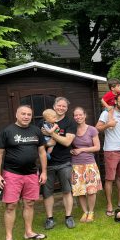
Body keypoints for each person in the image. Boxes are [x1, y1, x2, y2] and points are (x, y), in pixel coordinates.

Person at [0, 105, 48, 240]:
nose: (26, 117)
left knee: (29, 203)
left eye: (29, 114)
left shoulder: (36, 131)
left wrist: (44, 172)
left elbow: (42, 152)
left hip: (31, 173)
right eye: (23, 114)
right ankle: (9, 238)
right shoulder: (7, 131)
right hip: (12, 174)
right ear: (17, 115)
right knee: (11, 205)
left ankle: (28, 232)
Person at [41, 97, 76, 229]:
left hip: (64, 162)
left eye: (64, 106)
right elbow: (41, 142)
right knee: (47, 192)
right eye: (59, 105)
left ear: (67, 109)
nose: (61, 108)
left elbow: (67, 142)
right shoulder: (42, 121)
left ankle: (68, 217)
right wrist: (50, 141)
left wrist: (51, 134)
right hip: (47, 164)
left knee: (67, 191)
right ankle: (50, 218)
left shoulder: (70, 122)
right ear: (54, 106)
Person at [96, 93, 120, 217]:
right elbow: (97, 128)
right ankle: (109, 204)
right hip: (111, 150)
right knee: (109, 178)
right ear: (115, 101)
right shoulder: (106, 113)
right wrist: (108, 125)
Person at [70, 107, 102, 223]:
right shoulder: (72, 129)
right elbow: (68, 144)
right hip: (76, 164)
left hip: (89, 164)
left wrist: (81, 150)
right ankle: (85, 211)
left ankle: (91, 211)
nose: (78, 117)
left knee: (91, 190)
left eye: (80, 115)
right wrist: (71, 151)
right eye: (76, 115)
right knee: (80, 190)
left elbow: (97, 147)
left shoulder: (92, 130)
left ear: (85, 115)